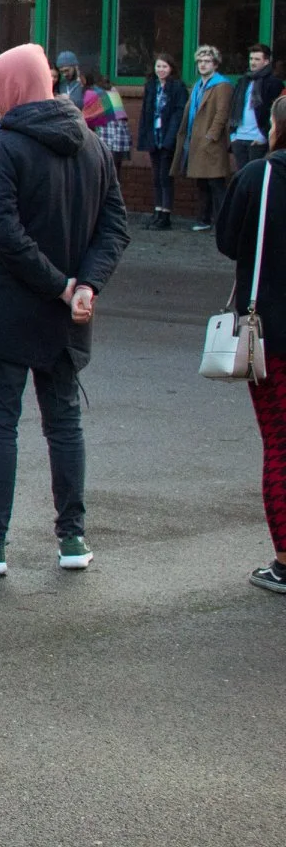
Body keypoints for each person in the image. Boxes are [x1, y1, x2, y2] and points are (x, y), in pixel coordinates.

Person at [0, 43, 128, 578]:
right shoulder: (91, 145)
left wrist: (62, 285)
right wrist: (85, 285)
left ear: (14, 88)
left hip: (9, 309)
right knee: (64, 425)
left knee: (0, 426)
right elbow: (115, 227)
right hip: (67, 318)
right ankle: (73, 537)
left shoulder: (6, 146)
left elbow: (5, 233)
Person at [214, 95, 286, 596]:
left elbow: (228, 241)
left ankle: (285, 560)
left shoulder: (259, 178)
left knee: (280, 444)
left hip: (272, 334)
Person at [174, 45, 235, 232]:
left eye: (207, 61)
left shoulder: (221, 85)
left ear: (215, 64)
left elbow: (222, 112)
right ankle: (204, 219)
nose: (202, 64)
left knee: (216, 183)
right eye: (200, 61)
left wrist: (212, 135)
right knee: (202, 182)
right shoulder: (198, 85)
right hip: (195, 139)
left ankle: (222, 222)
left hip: (210, 142)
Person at [138, 54, 186, 229]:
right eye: (158, 66)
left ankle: (166, 214)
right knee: (156, 177)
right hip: (154, 135)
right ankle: (157, 211)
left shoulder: (177, 87)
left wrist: (170, 138)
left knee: (165, 177)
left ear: (171, 68)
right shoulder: (152, 86)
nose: (161, 70)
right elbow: (146, 112)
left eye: (164, 67)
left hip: (167, 136)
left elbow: (178, 114)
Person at [228, 44, 282, 171]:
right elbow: (234, 107)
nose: (253, 62)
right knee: (241, 178)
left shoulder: (273, 83)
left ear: (266, 61)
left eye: (257, 59)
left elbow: (275, 112)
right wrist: (233, 135)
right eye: (251, 59)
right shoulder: (243, 81)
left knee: (256, 177)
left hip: (257, 139)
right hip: (239, 137)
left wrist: (263, 136)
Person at [79, 72, 130, 172]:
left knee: (103, 169)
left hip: (105, 133)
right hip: (120, 134)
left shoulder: (92, 93)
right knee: (115, 169)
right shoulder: (113, 90)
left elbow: (87, 116)